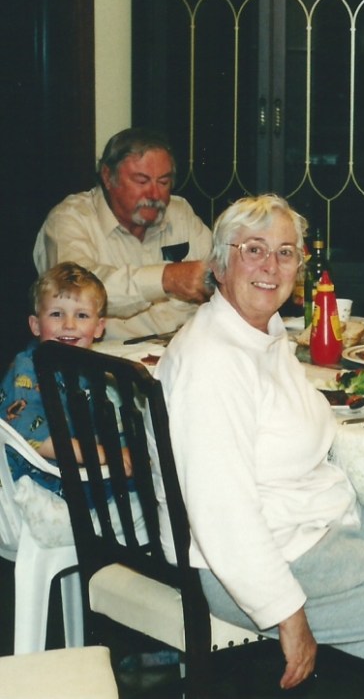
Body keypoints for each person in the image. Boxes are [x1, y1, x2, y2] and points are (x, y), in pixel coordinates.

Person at [153, 194, 364, 695]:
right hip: (256, 563)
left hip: (306, 524)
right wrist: (286, 612)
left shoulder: (262, 332)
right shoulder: (213, 360)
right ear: (219, 264)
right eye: (253, 249)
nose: (271, 265)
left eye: (286, 253)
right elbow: (222, 514)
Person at [33, 127, 213, 340]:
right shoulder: (70, 219)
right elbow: (76, 295)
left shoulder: (180, 213)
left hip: (185, 347)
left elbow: (220, 273)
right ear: (108, 177)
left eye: (163, 182)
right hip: (108, 356)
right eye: (141, 181)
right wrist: (166, 279)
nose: (154, 194)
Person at [2, 263, 107, 495]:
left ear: (99, 327)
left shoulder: (88, 369)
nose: (69, 325)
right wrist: (100, 454)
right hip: (25, 482)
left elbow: (96, 425)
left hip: (68, 473)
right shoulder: (28, 368)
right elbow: (30, 434)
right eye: (56, 314)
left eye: (81, 315)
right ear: (36, 325)